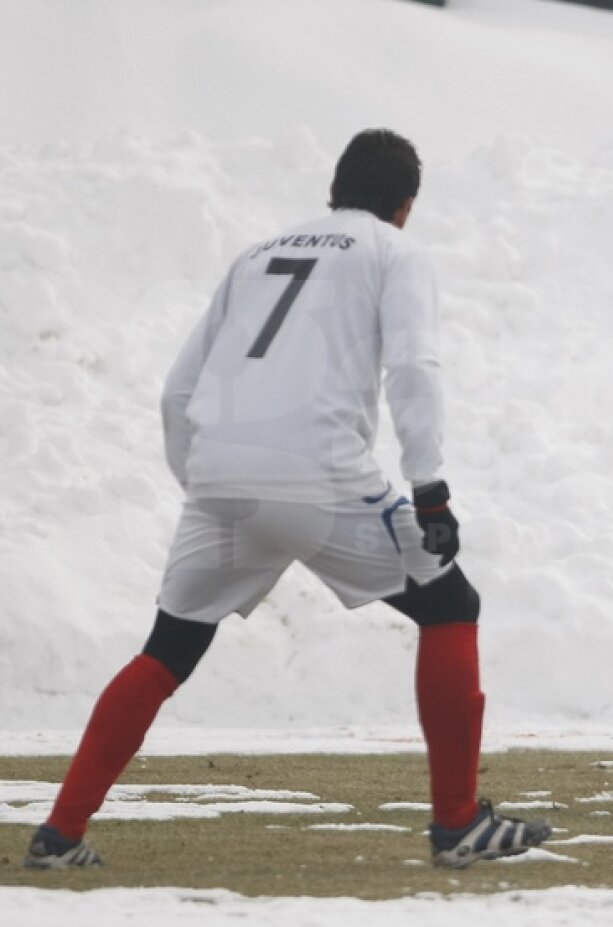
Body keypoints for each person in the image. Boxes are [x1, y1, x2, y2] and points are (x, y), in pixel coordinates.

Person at [25, 128, 551, 869]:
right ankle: (458, 822)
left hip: (218, 473)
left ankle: (61, 832)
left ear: (332, 190)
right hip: (315, 469)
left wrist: (206, 482)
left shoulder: (256, 254)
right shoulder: (393, 252)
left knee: (168, 648)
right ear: (405, 207)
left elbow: (179, 388)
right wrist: (430, 491)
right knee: (449, 604)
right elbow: (414, 366)